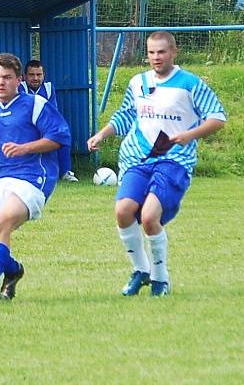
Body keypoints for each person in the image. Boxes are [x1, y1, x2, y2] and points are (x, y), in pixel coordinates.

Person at [87, 31, 226, 297]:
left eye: (161, 52)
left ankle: (161, 280)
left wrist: (189, 135)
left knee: (150, 217)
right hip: (138, 158)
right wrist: (102, 134)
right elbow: (127, 114)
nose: (156, 57)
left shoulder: (189, 83)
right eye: (151, 52)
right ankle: (141, 270)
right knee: (123, 211)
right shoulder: (138, 82)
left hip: (174, 160)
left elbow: (217, 117)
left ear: (174, 52)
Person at [0, 53, 71, 303]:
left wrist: (25, 148)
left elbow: (60, 138)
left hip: (35, 180)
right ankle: (11, 269)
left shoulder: (35, 104)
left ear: (19, 79)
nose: (1, 82)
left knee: (2, 223)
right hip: (4, 180)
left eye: (7, 78)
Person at [20, 59, 79, 183]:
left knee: (62, 133)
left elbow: (52, 113)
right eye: (31, 75)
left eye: (39, 74)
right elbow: (21, 114)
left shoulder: (48, 87)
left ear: (43, 75)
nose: (36, 78)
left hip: (43, 127)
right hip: (25, 128)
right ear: (24, 76)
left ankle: (66, 172)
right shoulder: (21, 87)